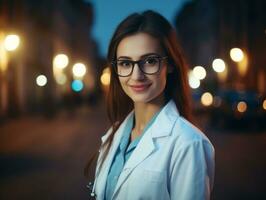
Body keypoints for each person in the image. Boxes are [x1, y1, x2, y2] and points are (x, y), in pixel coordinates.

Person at [88, 10, 215, 200]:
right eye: (125, 63)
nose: (136, 75)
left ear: (170, 64)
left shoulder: (189, 143)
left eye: (149, 61)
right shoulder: (113, 136)